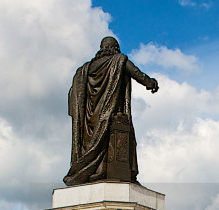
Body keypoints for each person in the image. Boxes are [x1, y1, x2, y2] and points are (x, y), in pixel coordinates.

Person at [65, 36, 159, 186]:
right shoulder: (119, 60)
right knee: (111, 141)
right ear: (115, 48)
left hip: (89, 119)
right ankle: (103, 172)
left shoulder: (85, 70)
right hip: (111, 112)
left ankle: (93, 172)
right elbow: (136, 73)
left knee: (95, 145)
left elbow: (73, 94)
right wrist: (151, 83)